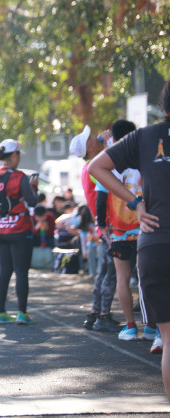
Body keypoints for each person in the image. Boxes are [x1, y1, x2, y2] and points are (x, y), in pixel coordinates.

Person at [89, 80, 170, 398]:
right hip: (153, 241)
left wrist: (137, 203)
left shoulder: (146, 136)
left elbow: (97, 167)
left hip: (155, 243)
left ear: (163, 106)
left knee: (169, 341)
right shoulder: (144, 137)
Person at [94, 119, 156, 342]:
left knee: (122, 277)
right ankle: (151, 327)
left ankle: (130, 327)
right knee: (147, 276)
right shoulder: (143, 158)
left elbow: (101, 201)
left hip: (118, 230)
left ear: (114, 137)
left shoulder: (108, 162)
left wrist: (103, 228)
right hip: (145, 225)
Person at [0, 139, 39, 324]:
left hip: (0, 230)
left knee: (4, 271)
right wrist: (34, 189)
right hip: (20, 229)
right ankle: (22, 313)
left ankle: (0, 312)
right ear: (14, 155)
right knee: (21, 271)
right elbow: (33, 201)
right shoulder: (19, 176)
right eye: (19, 154)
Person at [69, 125, 119, 331]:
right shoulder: (93, 167)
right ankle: (103, 316)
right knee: (111, 273)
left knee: (104, 271)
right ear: (88, 149)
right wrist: (109, 145)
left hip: (103, 225)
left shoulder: (88, 166)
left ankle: (96, 313)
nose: (95, 139)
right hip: (110, 226)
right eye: (91, 139)